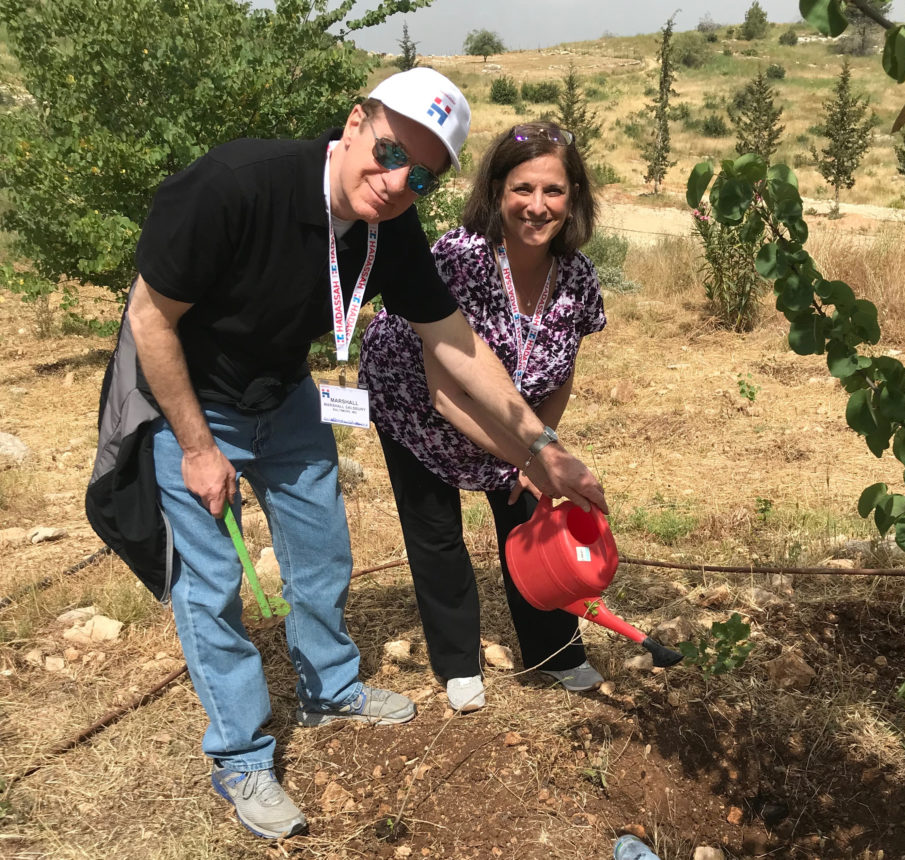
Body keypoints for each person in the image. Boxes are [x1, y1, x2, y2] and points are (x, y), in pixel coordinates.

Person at [85, 72, 606, 840]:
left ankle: (329, 687)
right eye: (390, 150)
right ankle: (240, 754)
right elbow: (148, 320)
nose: (398, 182)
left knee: (323, 553)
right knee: (212, 584)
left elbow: (454, 343)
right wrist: (196, 447)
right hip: (188, 398)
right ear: (356, 121)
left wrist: (541, 446)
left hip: (284, 394)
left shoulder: (388, 224)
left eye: (421, 173)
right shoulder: (237, 185)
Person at [359, 121, 606, 714]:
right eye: (522, 189)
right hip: (415, 405)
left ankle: (555, 654)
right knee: (436, 532)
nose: (537, 206)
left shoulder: (577, 278)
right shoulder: (458, 258)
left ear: (573, 197)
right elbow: (446, 394)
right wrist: (528, 456)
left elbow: (562, 371)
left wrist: (541, 447)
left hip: (511, 423)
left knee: (530, 521)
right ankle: (457, 663)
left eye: (553, 191)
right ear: (496, 191)